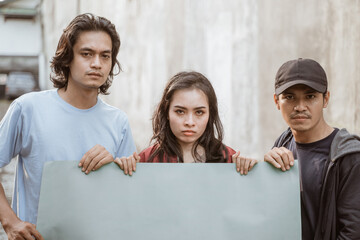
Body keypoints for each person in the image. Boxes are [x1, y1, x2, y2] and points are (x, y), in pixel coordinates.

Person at [0, 13, 136, 239]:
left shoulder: (118, 121)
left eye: (105, 56)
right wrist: (10, 221)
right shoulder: (28, 108)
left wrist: (114, 166)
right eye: (86, 54)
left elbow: (126, 199)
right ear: (68, 57)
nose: (96, 63)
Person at [264, 58, 360, 239]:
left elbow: (353, 233)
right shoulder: (283, 144)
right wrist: (262, 171)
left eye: (310, 96)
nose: (300, 107)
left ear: (326, 99)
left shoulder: (349, 157)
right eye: (289, 97)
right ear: (277, 101)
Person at [115, 71, 257, 175]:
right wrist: (123, 170)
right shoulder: (147, 159)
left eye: (199, 112)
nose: (189, 122)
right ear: (167, 112)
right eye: (180, 112)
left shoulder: (229, 159)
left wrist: (248, 170)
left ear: (210, 114)